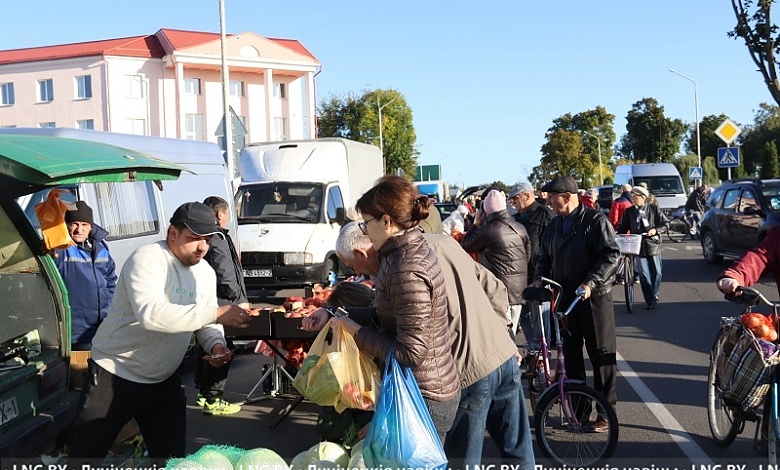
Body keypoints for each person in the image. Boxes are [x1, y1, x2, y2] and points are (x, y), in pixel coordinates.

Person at [306, 221, 534, 469]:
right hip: (502, 356)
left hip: (466, 371)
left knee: (463, 460)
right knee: (517, 450)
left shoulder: (400, 266)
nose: (359, 274)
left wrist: (357, 332)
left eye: (353, 266)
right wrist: (502, 335)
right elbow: (494, 287)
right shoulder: (443, 242)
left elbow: (408, 349)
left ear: (361, 252)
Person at [67, 202, 253, 462]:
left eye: (208, 240)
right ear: (172, 233)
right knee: (84, 458)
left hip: (162, 379)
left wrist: (216, 345)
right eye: (195, 239)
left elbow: (205, 323)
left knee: (171, 461)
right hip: (114, 373)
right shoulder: (147, 259)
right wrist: (217, 313)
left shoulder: (206, 273)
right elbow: (151, 315)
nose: (202, 247)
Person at [318, 176, 460, 444]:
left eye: (366, 222)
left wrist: (357, 333)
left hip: (423, 396)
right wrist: (334, 314)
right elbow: (386, 315)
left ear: (386, 222)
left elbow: (412, 353)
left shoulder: (407, 268)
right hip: (416, 389)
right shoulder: (399, 255)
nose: (364, 230)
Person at [534, 175, 620, 433]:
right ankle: (580, 412)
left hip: (593, 298)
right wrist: (540, 278)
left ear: (567, 197)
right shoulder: (554, 224)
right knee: (570, 357)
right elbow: (544, 256)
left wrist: (590, 282)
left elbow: (611, 255)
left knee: (601, 356)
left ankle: (606, 412)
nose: (549, 202)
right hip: (564, 299)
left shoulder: (595, 221)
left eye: (552, 198)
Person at [192, 196, 248, 416]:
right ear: (220, 215)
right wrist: (237, 297)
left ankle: (203, 393)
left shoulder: (205, 235)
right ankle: (213, 398)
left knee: (204, 344)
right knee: (220, 348)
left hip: (209, 298)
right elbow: (225, 270)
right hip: (222, 300)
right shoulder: (217, 236)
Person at [461, 189, 530, 337]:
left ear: (487, 211)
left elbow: (466, 245)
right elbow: (527, 256)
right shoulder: (520, 227)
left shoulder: (489, 230)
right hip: (519, 291)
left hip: (499, 291)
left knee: (501, 338)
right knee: (511, 334)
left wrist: (476, 224)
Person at [54, 200, 117, 351]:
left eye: (84, 224)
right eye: (74, 224)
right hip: (77, 332)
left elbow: (110, 279)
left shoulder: (101, 247)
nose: (79, 230)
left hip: (102, 326)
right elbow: (50, 254)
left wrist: (109, 305)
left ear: (91, 227)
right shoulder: (61, 249)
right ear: (66, 225)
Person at [508, 182, 553, 356]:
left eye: (516, 199)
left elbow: (549, 246)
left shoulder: (545, 215)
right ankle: (533, 348)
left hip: (539, 274)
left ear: (527, 195)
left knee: (540, 317)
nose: (513, 204)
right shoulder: (517, 219)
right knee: (524, 315)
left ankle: (543, 351)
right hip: (520, 275)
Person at [616, 186, 669, 310]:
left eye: (635, 196)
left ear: (643, 198)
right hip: (637, 245)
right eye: (632, 196)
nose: (633, 199)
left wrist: (655, 230)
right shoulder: (629, 212)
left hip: (653, 244)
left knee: (657, 273)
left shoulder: (653, 209)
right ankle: (650, 300)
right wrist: (618, 236)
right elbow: (622, 227)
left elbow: (665, 224)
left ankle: (654, 294)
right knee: (644, 274)